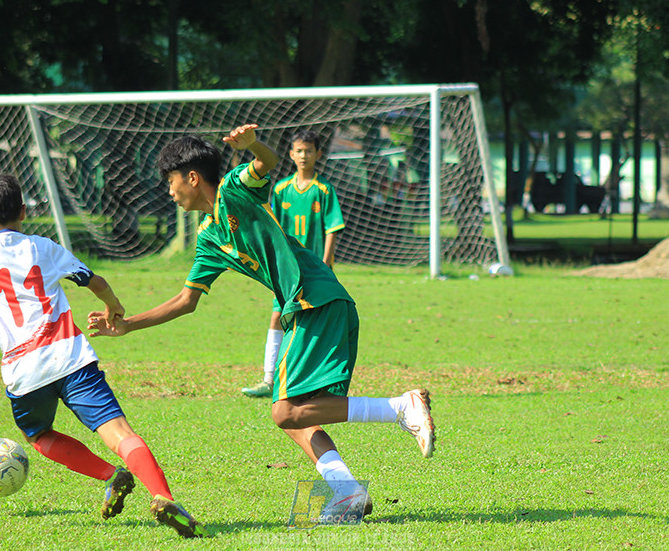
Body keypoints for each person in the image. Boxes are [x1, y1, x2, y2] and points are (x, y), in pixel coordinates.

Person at [88, 124, 435, 522]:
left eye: (170, 181)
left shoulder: (235, 188)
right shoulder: (208, 238)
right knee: (292, 413)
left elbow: (266, 163)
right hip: (304, 307)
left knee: (283, 412)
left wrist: (252, 144)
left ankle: (399, 407)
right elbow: (186, 301)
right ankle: (347, 492)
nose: (169, 191)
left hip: (314, 298)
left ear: (192, 178)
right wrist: (128, 325)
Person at [0, 173, 206, 538]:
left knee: (38, 436)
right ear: (22, 211)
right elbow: (94, 281)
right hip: (71, 357)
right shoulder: (43, 247)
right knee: (118, 432)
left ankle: (110, 475)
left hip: (24, 371)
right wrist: (113, 306)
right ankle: (162, 495)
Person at [242, 130, 345, 398]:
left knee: (314, 321)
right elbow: (272, 226)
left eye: (309, 150)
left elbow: (333, 228)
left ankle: (316, 382)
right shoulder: (280, 189)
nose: (303, 155)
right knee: (278, 317)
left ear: (318, 154)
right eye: (299, 150)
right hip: (288, 270)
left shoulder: (324, 190)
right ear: (291, 154)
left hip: (314, 270)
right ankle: (269, 379)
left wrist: (325, 263)